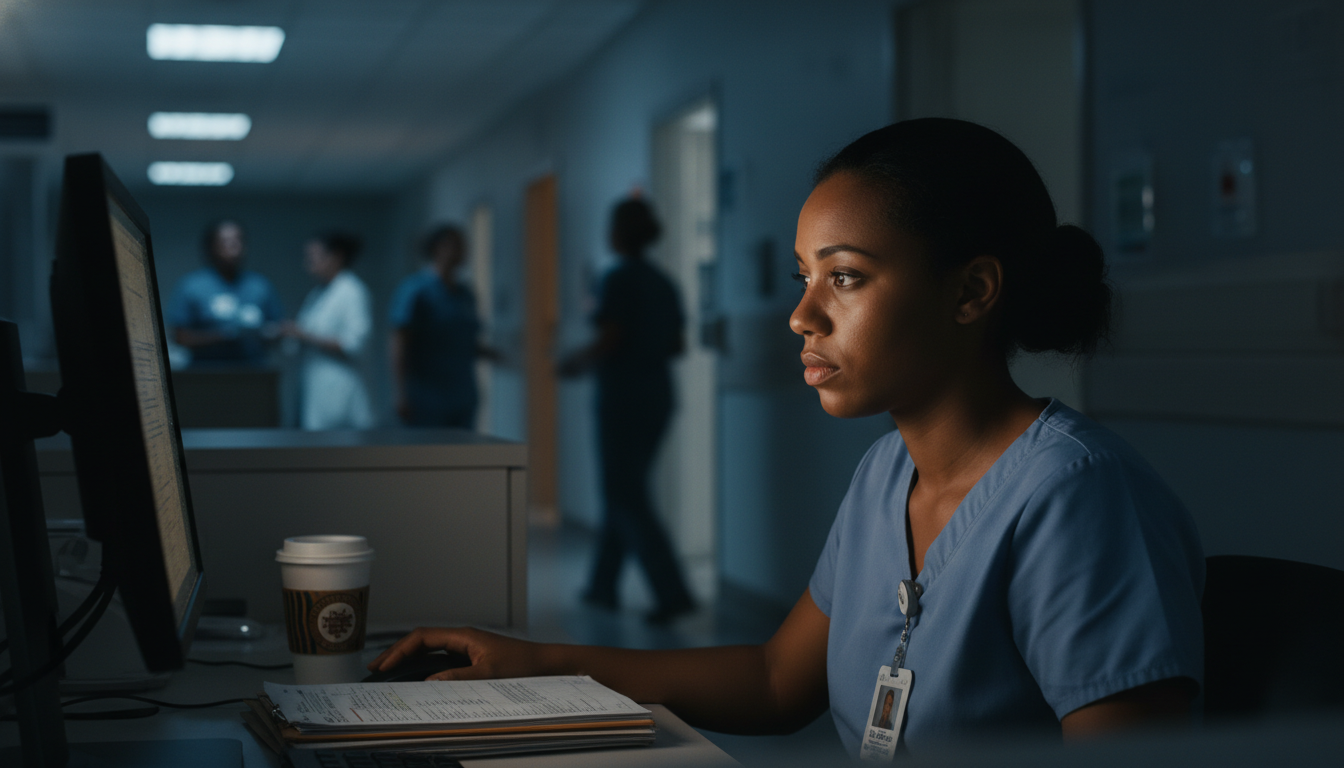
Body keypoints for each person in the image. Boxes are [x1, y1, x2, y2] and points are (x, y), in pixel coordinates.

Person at [371, 119, 1205, 754]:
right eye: (806, 278)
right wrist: (532, 664)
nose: (802, 316)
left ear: (970, 292)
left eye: (845, 277)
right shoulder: (888, 474)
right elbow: (777, 681)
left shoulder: (1077, 496)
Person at [558, 196, 696, 625]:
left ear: (617, 233)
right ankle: (602, 587)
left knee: (626, 496)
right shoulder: (663, 282)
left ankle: (672, 592)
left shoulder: (616, 280)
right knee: (622, 492)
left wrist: (574, 362)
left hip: (622, 401)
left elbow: (609, 338)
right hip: (657, 397)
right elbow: (677, 345)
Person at [389, 225, 490, 429]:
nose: (463, 251)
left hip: (462, 394)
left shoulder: (465, 294)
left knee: (464, 456)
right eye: (456, 245)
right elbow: (398, 343)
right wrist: (400, 394)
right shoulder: (415, 290)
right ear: (438, 248)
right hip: (427, 396)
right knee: (429, 455)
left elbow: (466, 342)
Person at [284, 231, 374, 430]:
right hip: (315, 385)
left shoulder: (352, 291)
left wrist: (304, 335)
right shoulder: (317, 294)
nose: (308, 263)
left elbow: (353, 344)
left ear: (336, 256)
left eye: (313, 257)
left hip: (340, 387)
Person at [167, 219, 284, 367]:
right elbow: (179, 337)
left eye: (238, 240)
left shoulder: (260, 286)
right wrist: (223, 336)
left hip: (253, 374)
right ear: (211, 247)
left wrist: (264, 334)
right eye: (225, 241)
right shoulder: (192, 286)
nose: (234, 246)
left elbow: (278, 329)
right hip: (205, 374)